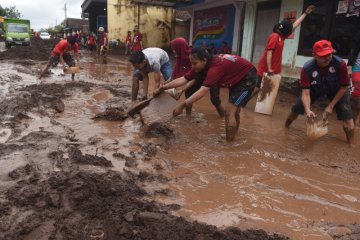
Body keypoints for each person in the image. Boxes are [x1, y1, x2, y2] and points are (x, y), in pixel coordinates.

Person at [154, 47, 257, 142]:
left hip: (247, 78)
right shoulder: (203, 65)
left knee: (229, 111)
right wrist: (162, 88)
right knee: (234, 110)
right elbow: (183, 79)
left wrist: (182, 105)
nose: (193, 67)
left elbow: (202, 91)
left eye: (195, 63)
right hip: (235, 77)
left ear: (204, 60)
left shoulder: (215, 68)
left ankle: (229, 145)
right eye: (191, 64)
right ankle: (233, 135)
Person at [285, 40, 355, 147]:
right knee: (297, 108)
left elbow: (344, 86)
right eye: (323, 55)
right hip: (315, 89)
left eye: (329, 54)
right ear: (314, 55)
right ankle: (285, 129)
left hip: (337, 90)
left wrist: (331, 106)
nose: (327, 58)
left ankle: (351, 145)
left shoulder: (340, 64)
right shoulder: (307, 69)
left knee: (348, 120)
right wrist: (308, 109)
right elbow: (306, 92)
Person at [257, 5, 315, 84]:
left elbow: (295, 26)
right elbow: (269, 52)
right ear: (285, 30)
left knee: (269, 92)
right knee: (260, 91)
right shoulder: (274, 36)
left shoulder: (282, 36)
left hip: (274, 69)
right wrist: (269, 68)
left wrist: (305, 13)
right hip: (266, 69)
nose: (291, 30)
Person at [170, 38, 224, 117]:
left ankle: (222, 117)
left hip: (211, 76)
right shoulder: (182, 57)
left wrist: (181, 94)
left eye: (174, 49)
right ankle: (188, 116)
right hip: (199, 76)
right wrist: (169, 86)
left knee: (215, 99)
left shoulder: (193, 58)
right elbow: (179, 75)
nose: (173, 51)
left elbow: (194, 79)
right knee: (188, 92)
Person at [347, 32, 360, 126]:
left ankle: (357, 121)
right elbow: (354, 51)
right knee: (354, 93)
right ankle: (347, 117)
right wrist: (350, 66)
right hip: (358, 67)